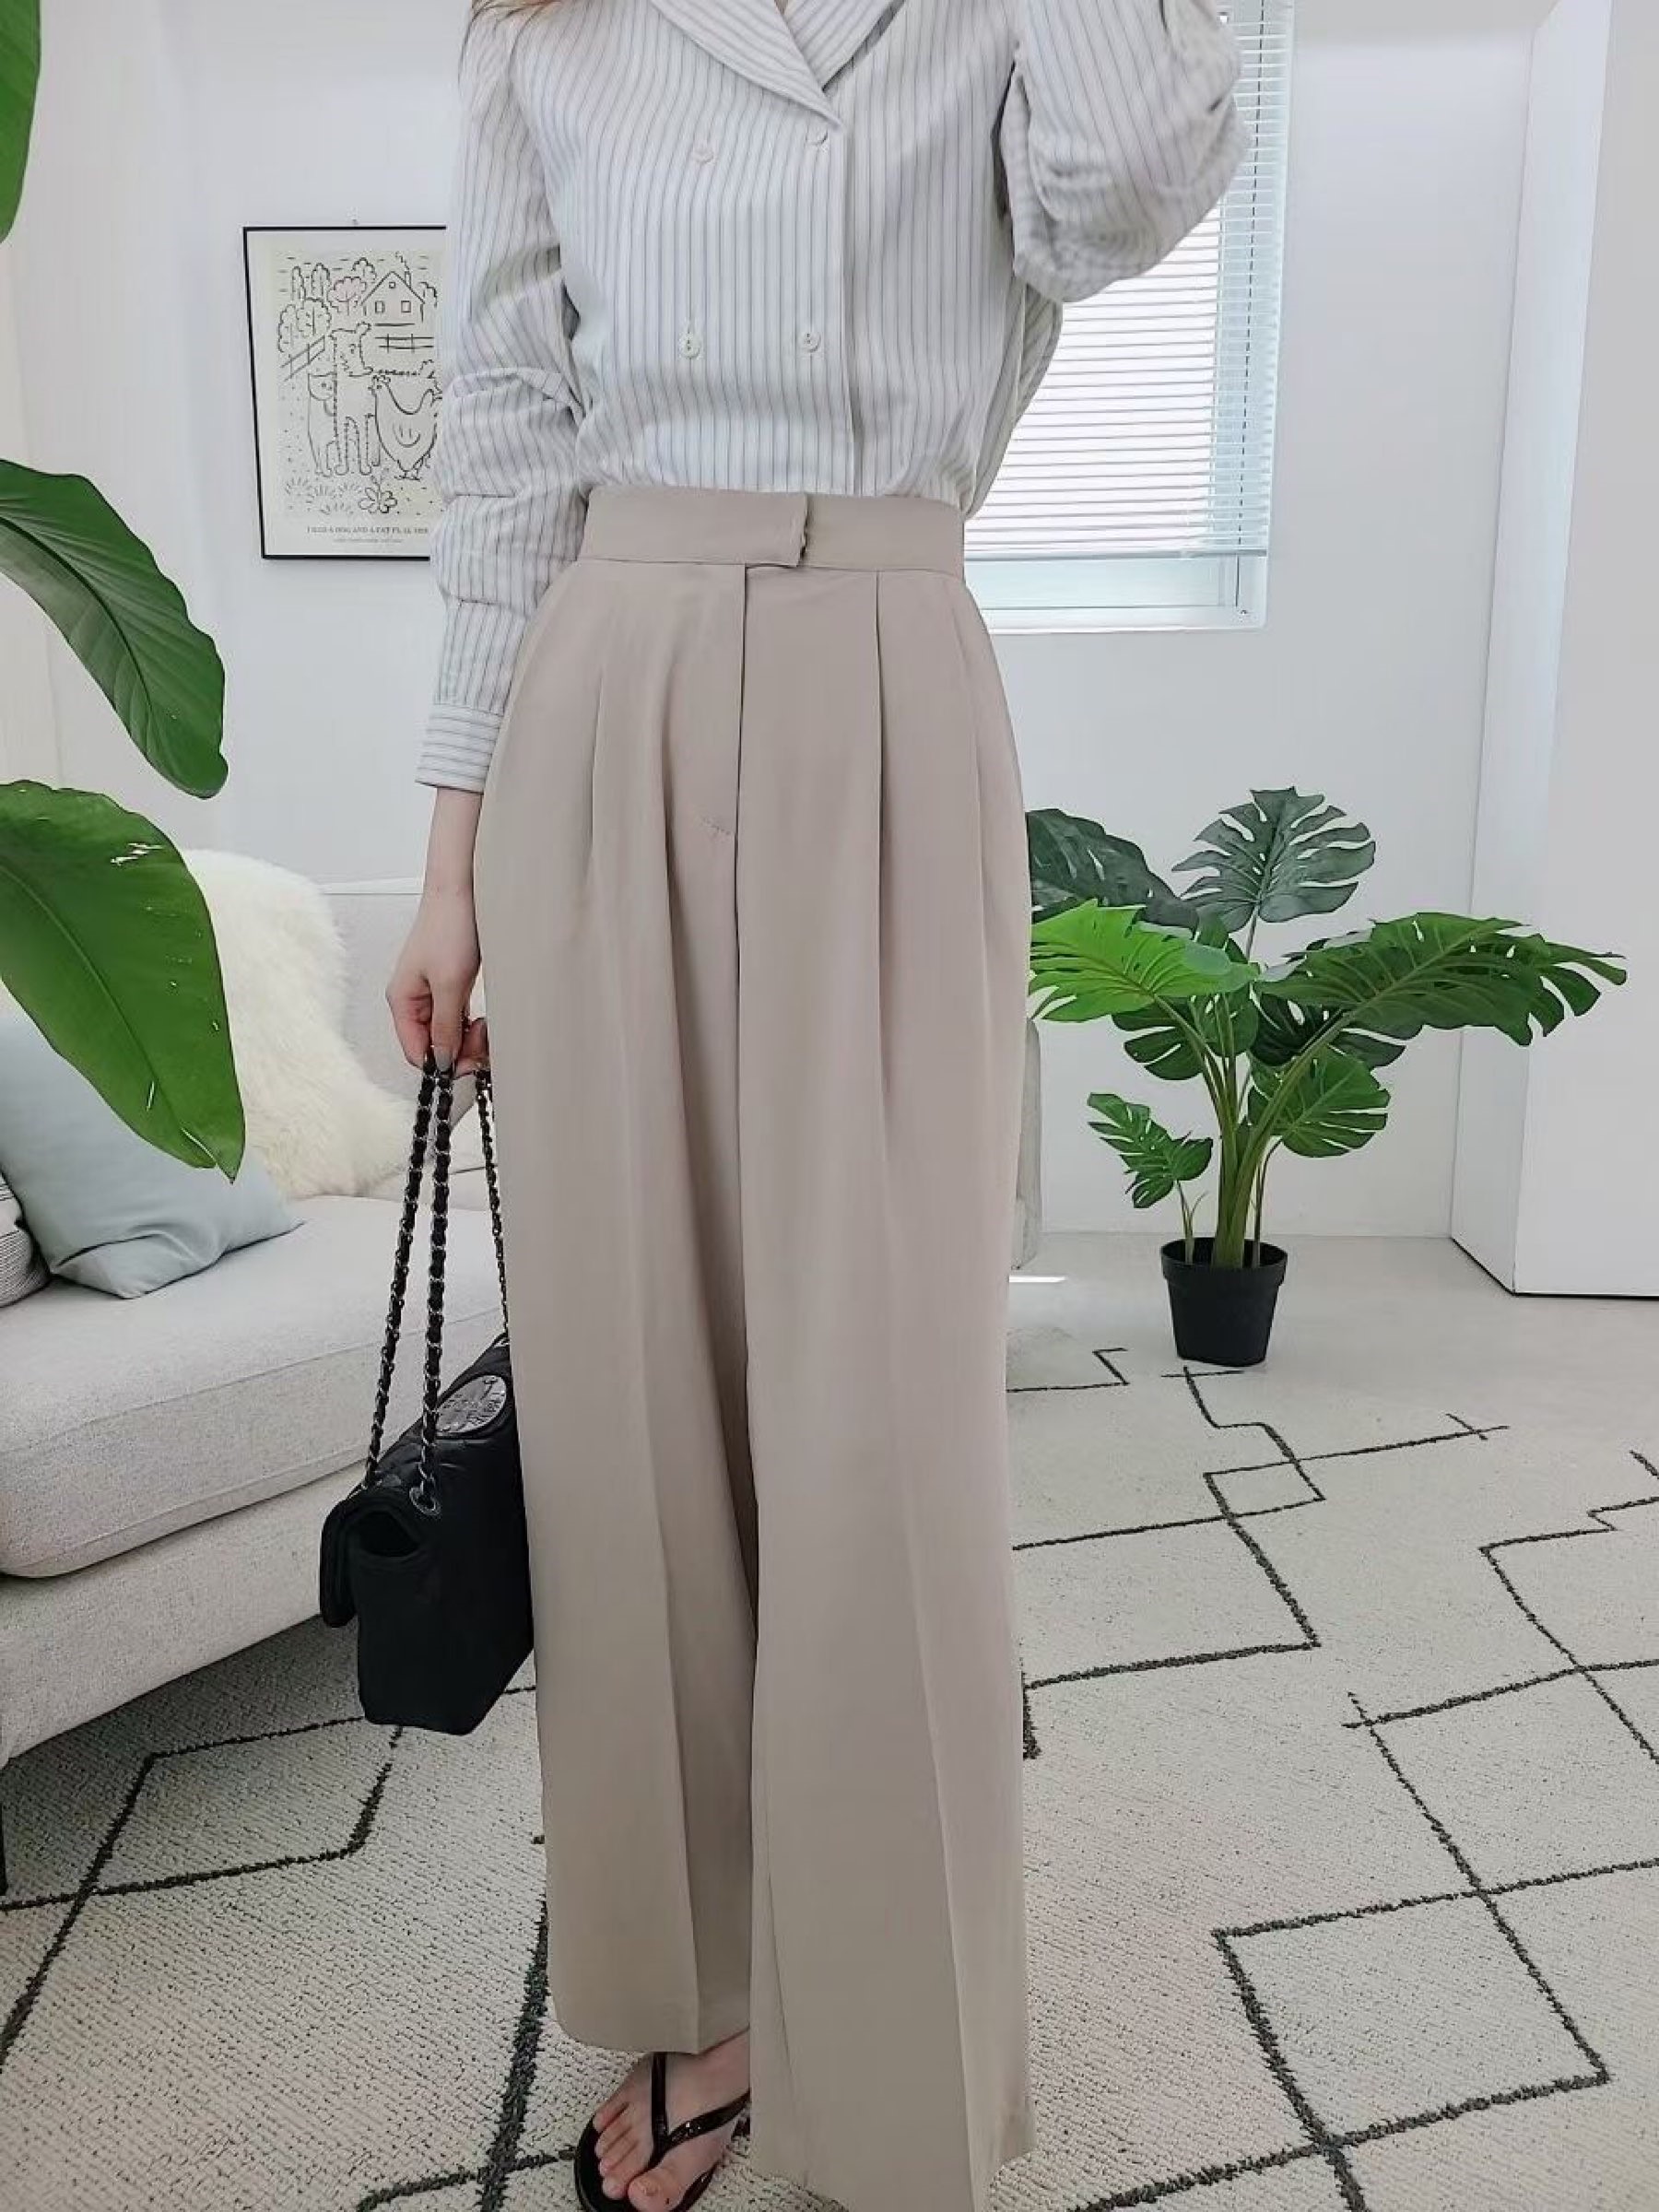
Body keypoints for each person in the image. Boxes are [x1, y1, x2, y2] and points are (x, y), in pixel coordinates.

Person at [388, 4, 1243, 2206]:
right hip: (608, 693)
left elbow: (1130, 186)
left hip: (889, 679)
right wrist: (452, 857)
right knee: (635, 1414)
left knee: (885, 1425)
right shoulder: (545, 33)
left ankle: (887, 2037)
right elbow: (506, 431)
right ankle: (708, 1997)